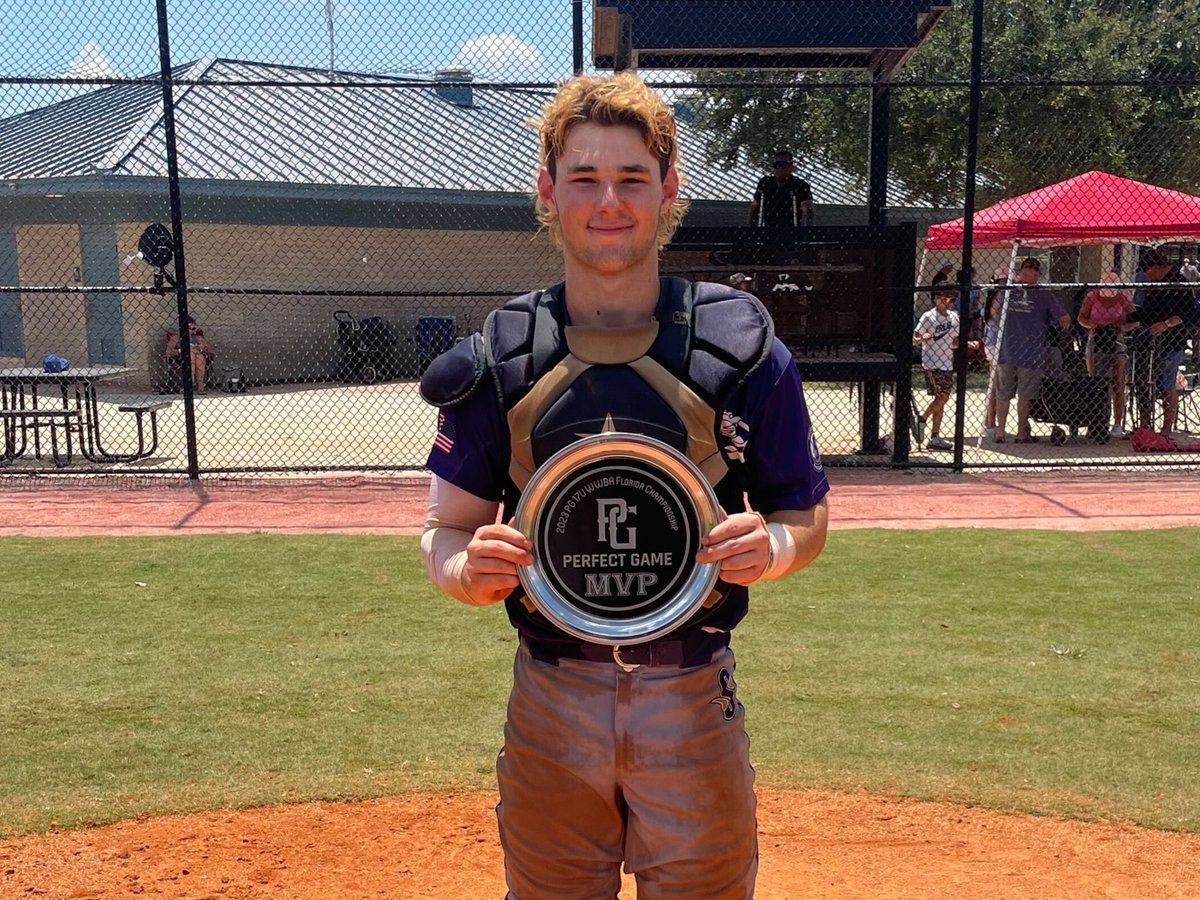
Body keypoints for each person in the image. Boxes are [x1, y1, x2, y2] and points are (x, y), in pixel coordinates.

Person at [418, 73, 830, 898]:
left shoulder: (743, 351)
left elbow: (804, 514)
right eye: (585, 178)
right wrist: (465, 569)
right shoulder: (501, 357)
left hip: (692, 689)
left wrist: (776, 548)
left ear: (669, 190)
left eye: (632, 178)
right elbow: (445, 531)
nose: (609, 201)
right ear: (548, 191)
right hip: (551, 692)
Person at [993, 256, 1070, 444]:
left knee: (1004, 393)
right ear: (1037, 274)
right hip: (1030, 352)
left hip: (1007, 349)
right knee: (1025, 395)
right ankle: (1021, 432)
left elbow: (994, 313)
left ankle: (1000, 431)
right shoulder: (1043, 294)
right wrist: (1057, 328)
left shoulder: (1007, 291)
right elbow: (1064, 319)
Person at [1127, 247, 1199, 437]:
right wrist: (1128, 320)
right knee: (1143, 381)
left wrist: (1167, 324)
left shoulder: (1179, 282)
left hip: (1172, 342)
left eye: (1148, 271)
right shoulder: (1154, 285)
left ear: (1156, 267)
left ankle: (1166, 429)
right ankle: (1144, 425)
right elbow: (1146, 311)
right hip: (1148, 342)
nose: (1147, 276)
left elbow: (1189, 313)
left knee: (1166, 383)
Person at [1077, 271, 1135, 437]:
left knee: (1118, 383)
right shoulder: (1092, 296)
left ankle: (1117, 423)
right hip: (1096, 339)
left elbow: (1135, 319)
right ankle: (1096, 422)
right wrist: (1092, 325)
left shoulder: (1122, 298)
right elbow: (1081, 318)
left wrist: (1122, 327)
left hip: (1116, 340)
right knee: (1096, 382)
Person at [913, 287, 959, 450]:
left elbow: (954, 342)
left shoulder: (954, 317)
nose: (949, 303)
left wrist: (967, 344)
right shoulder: (928, 316)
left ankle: (935, 435)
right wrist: (922, 338)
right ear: (936, 299)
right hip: (932, 363)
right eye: (945, 299)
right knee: (943, 397)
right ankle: (923, 419)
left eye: (952, 300)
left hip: (947, 363)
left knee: (941, 400)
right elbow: (914, 339)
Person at [748, 149, 813, 227]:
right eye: (777, 165)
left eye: (784, 165)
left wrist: (806, 230)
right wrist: (751, 228)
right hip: (768, 227)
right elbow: (755, 206)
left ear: (791, 167)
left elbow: (807, 209)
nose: (780, 168)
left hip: (792, 227)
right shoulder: (765, 183)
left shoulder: (800, 184)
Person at [164, 315, 214, 393]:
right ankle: (196, 384)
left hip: (198, 357)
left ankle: (194, 384)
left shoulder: (198, 338)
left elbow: (211, 350)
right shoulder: (176, 338)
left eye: (193, 328)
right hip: (181, 358)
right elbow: (168, 352)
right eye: (188, 328)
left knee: (199, 357)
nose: (190, 331)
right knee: (191, 353)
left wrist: (203, 347)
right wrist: (181, 350)